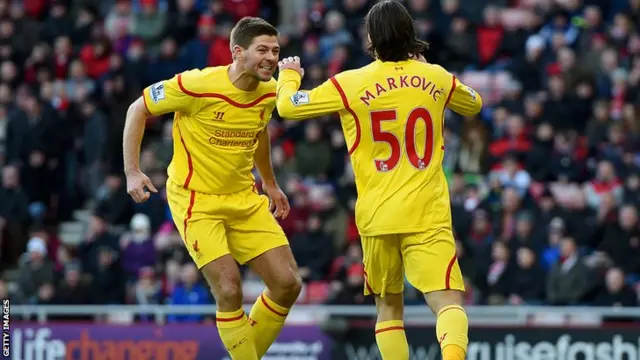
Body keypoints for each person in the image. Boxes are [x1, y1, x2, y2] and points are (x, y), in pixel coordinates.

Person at [275, 1, 482, 359]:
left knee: (388, 310)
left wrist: (290, 74)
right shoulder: (436, 77)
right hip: (426, 212)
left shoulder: (351, 82)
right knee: (447, 302)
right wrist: (429, 69)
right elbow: (475, 104)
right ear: (410, 34)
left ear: (370, 38)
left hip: (377, 215)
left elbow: (289, 107)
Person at [123, 17, 302, 360]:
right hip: (196, 200)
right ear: (237, 52)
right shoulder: (196, 84)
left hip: (244, 197)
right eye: (262, 50)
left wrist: (270, 183)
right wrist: (132, 171)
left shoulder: (269, 93)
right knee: (229, 289)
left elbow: (259, 131)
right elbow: (138, 108)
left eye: (276, 51)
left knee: (288, 284)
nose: (271, 58)